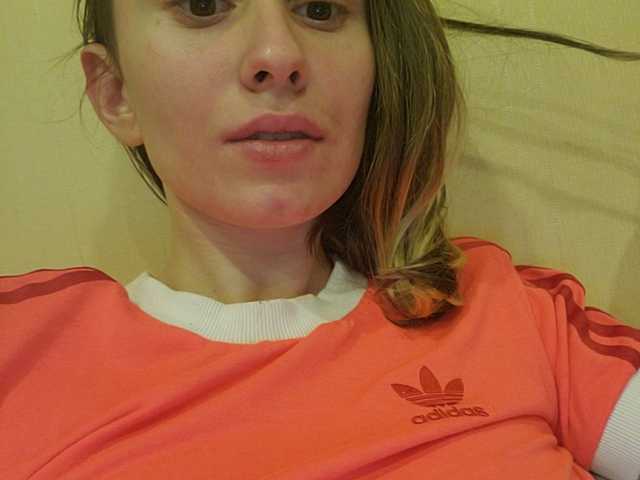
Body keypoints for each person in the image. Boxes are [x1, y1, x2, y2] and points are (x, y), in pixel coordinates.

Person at [1, 1, 639, 479]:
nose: (277, 55)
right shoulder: (21, 348)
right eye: (202, 4)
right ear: (115, 93)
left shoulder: (505, 310)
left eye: (319, 8)